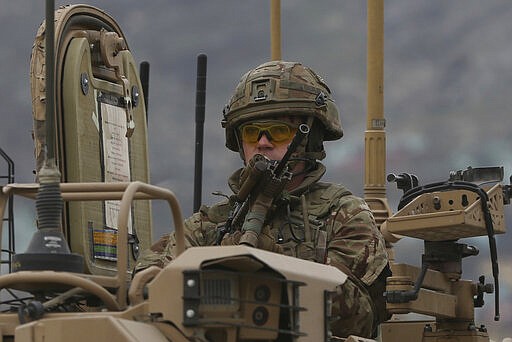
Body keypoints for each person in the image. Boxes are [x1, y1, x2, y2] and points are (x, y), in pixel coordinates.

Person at [135, 60, 390, 338]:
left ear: (311, 138)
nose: (263, 142)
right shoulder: (210, 225)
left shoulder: (343, 215)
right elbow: (146, 286)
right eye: (252, 132)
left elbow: (356, 314)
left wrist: (268, 265)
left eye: (279, 131)